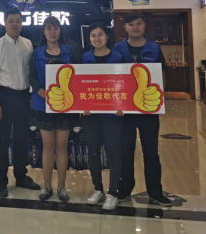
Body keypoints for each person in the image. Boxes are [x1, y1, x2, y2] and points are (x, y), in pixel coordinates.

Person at [113, 11, 172, 207]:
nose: (135, 27)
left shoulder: (154, 48)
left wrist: (160, 98)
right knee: (125, 152)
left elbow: (162, 75)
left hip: (148, 111)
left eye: (138, 23)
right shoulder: (118, 48)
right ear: (125, 27)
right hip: (125, 111)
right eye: (131, 24)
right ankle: (124, 188)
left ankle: (155, 191)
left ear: (144, 25)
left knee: (151, 152)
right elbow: (112, 77)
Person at [0, 8, 40, 198]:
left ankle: (21, 176)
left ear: (22, 23)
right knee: (2, 140)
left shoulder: (28, 44)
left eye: (18, 21)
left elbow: (30, 73)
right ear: (5, 23)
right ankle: (1, 181)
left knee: (22, 138)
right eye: (11, 21)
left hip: (24, 96)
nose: (15, 24)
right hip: (4, 96)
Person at [29, 16, 78, 202]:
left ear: (60, 30)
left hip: (65, 105)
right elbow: (32, 77)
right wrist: (41, 91)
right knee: (48, 146)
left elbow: (77, 75)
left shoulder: (69, 51)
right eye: (49, 28)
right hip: (44, 105)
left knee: (62, 146)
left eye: (55, 28)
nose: (52, 32)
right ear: (44, 31)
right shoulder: (37, 52)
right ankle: (47, 186)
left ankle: (62, 188)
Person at [81, 22, 124, 211]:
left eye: (100, 35)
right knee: (93, 152)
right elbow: (81, 84)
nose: (97, 39)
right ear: (89, 39)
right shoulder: (85, 58)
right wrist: (82, 105)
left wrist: (122, 105)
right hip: (91, 114)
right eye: (93, 35)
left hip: (113, 114)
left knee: (114, 152)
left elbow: (124, 83)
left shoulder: (118, 57)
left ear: (107, 37)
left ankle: (113, 192)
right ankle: (98, 189)